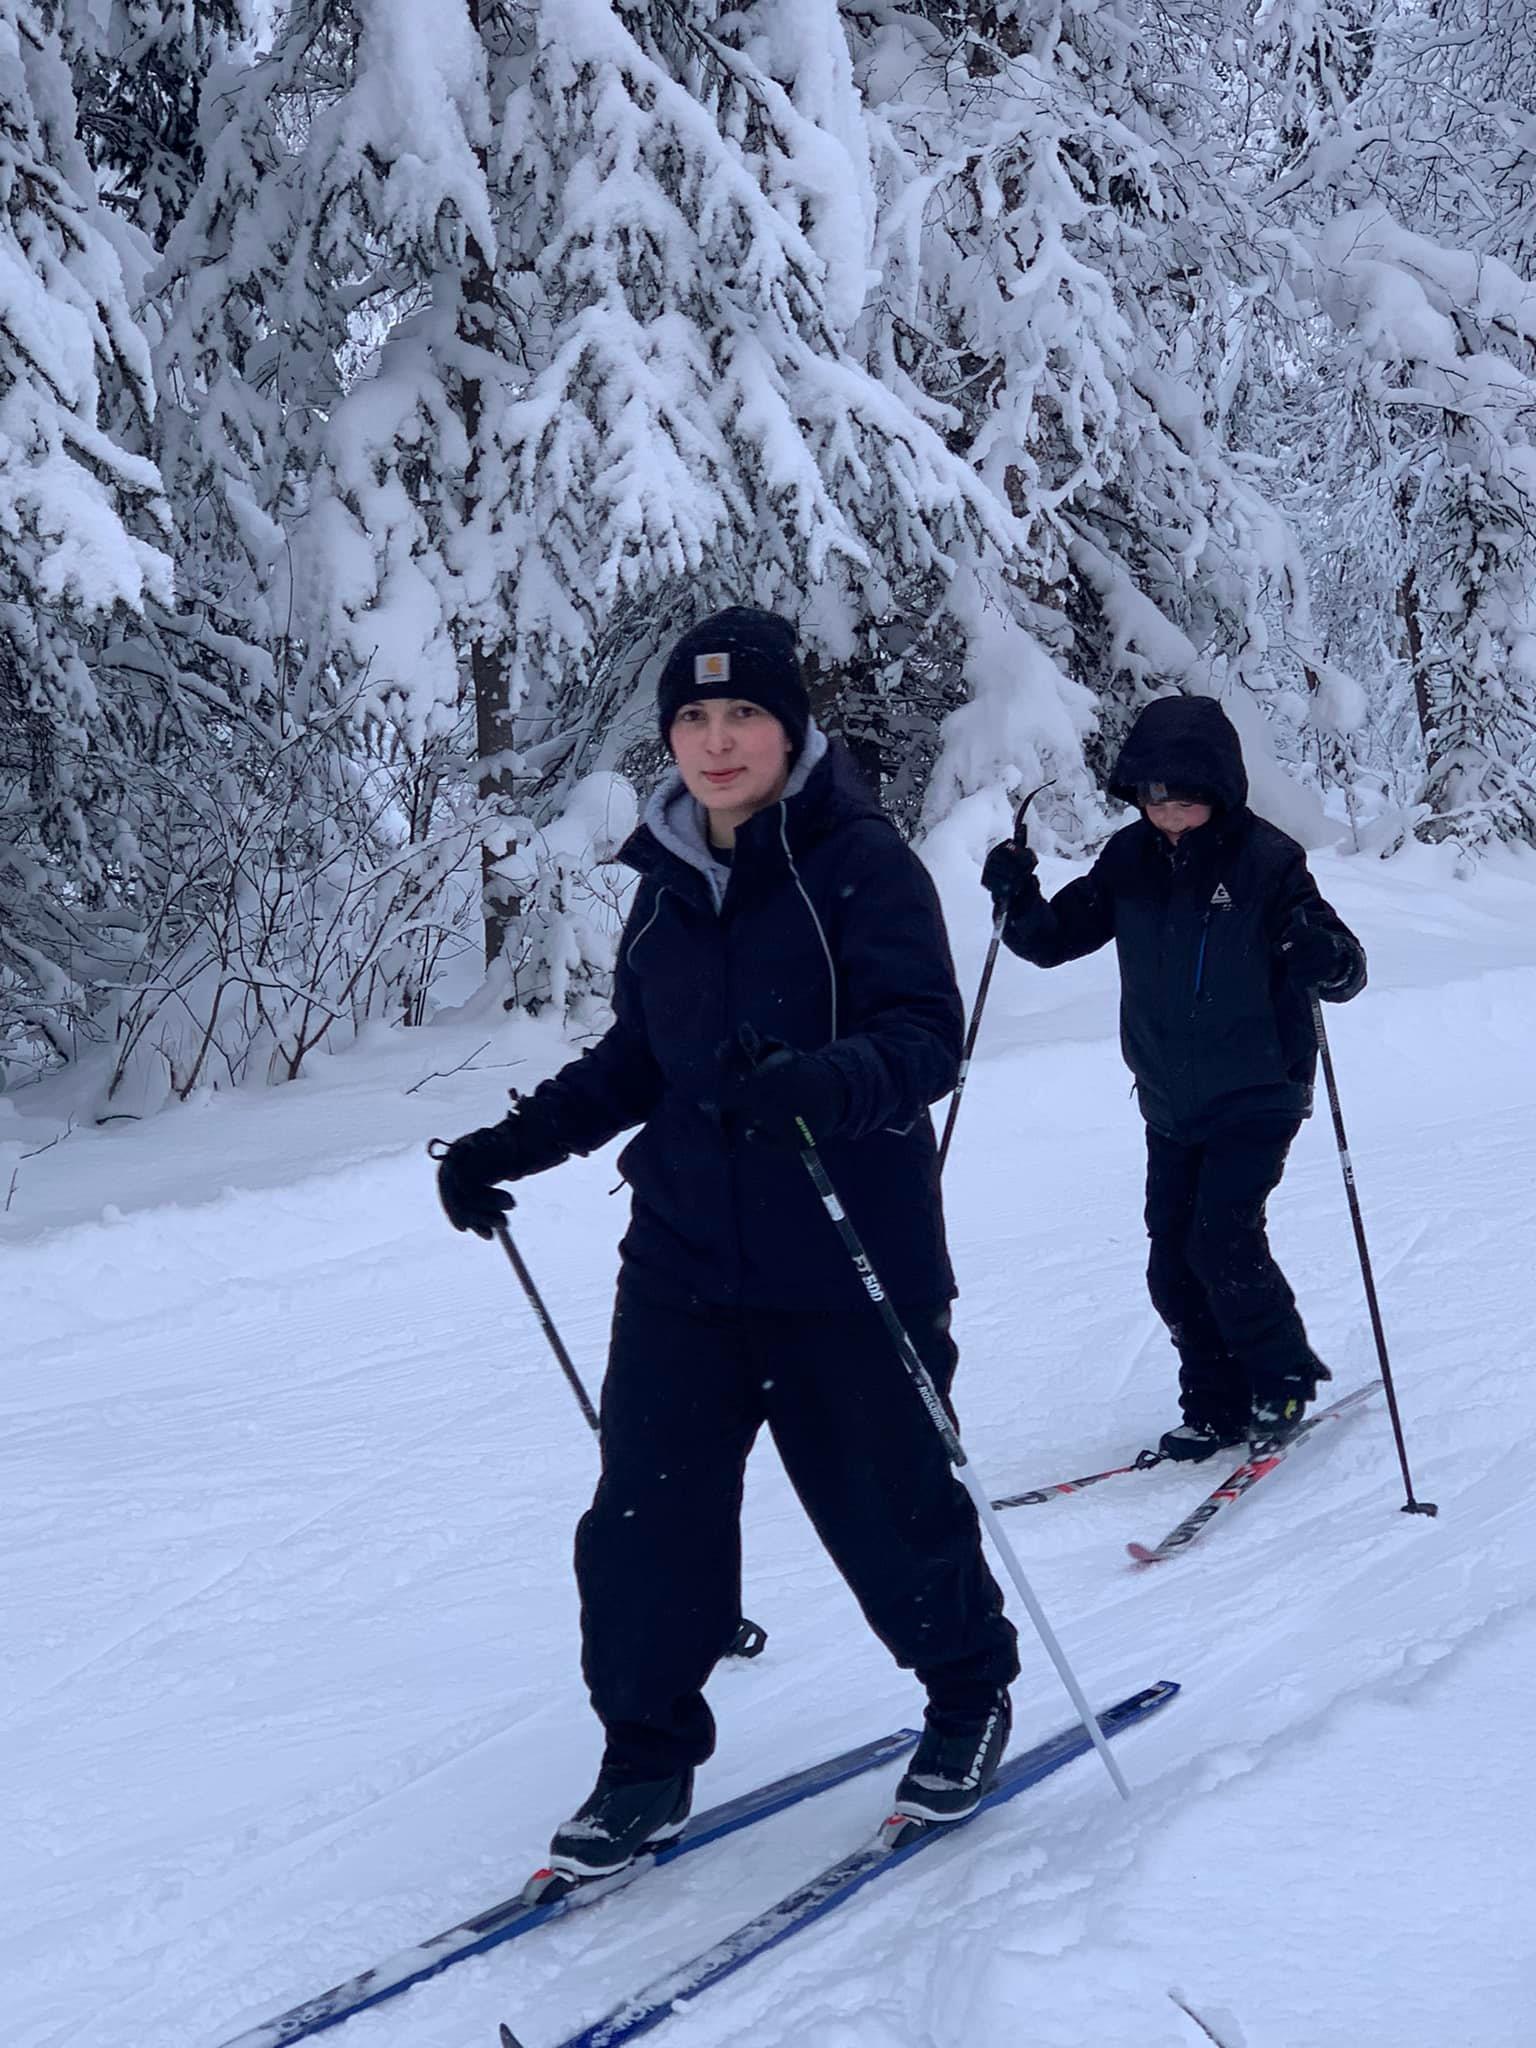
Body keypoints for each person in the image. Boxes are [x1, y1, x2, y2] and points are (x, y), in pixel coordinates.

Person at [438, 607, 1019, 1882]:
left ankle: (970, 1694)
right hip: (687, 1264)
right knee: (646, 1525)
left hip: (847, 1258)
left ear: (790, 728)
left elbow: (928, 1034)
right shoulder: (663, 879)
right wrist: (506, 1145)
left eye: (742, 714)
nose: (716, 740)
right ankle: (644, 1760)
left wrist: (827, 1079)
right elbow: (638, 1059)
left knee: (891, 1509)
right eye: (692, 719)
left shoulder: (860, 864)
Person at [981, 695, 1366, 1461]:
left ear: (1218, 789)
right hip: (1167, 1095)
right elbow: (1056, 940)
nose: (1165, 813)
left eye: (1181, 797)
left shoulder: (1268, 862)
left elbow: (1348, 968)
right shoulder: (1128, 860)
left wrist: (1321, 954)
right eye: (1152, 797)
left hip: (1258, 1087)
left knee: (1222, 1239)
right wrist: (1015, 897)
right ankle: (1217, 1401)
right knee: (1170, 1257)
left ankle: (1280, 1377)